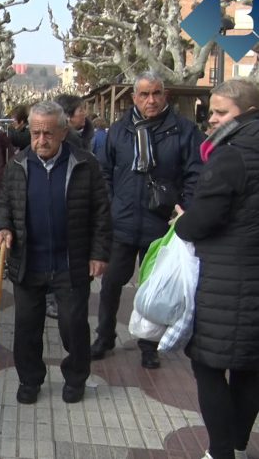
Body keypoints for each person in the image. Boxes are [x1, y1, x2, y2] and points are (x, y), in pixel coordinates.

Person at [0, 101, 111, 404]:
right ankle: (29, 380)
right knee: (27, 327)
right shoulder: (17, 164)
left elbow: (101, 212)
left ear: (62, 132)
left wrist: (99, 253)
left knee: (73, 325)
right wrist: (2, 228)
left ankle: (75, 377)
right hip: (27, 262)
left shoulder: (85, 164)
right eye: (35, 133)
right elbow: (4, 203)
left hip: (70, 261)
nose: (40, 140)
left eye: (47, 133)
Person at [90, 71, 203, 369]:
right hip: (123, 221)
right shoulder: (119, 130)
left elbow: (195, 174)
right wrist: (113, 204)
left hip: (161, 224)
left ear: (165, 95)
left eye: (156, 93)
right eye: (144, 94)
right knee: (112, 283)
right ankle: (104, 336)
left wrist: (182, 209)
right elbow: (103, 172)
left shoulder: (183, 130)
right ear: (134, 98)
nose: (151, 100)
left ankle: (148, 345)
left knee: (154, 287)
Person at [172, 79, 259, 459]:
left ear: (248, 112)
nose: (212, 120)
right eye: (211, 112)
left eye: (221, 112)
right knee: (251, 366)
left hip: (228, 279)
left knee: (209, 365)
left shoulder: (231, 156)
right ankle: (237, 441)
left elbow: (198, 223)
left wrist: (183, 219)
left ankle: (221, 451)